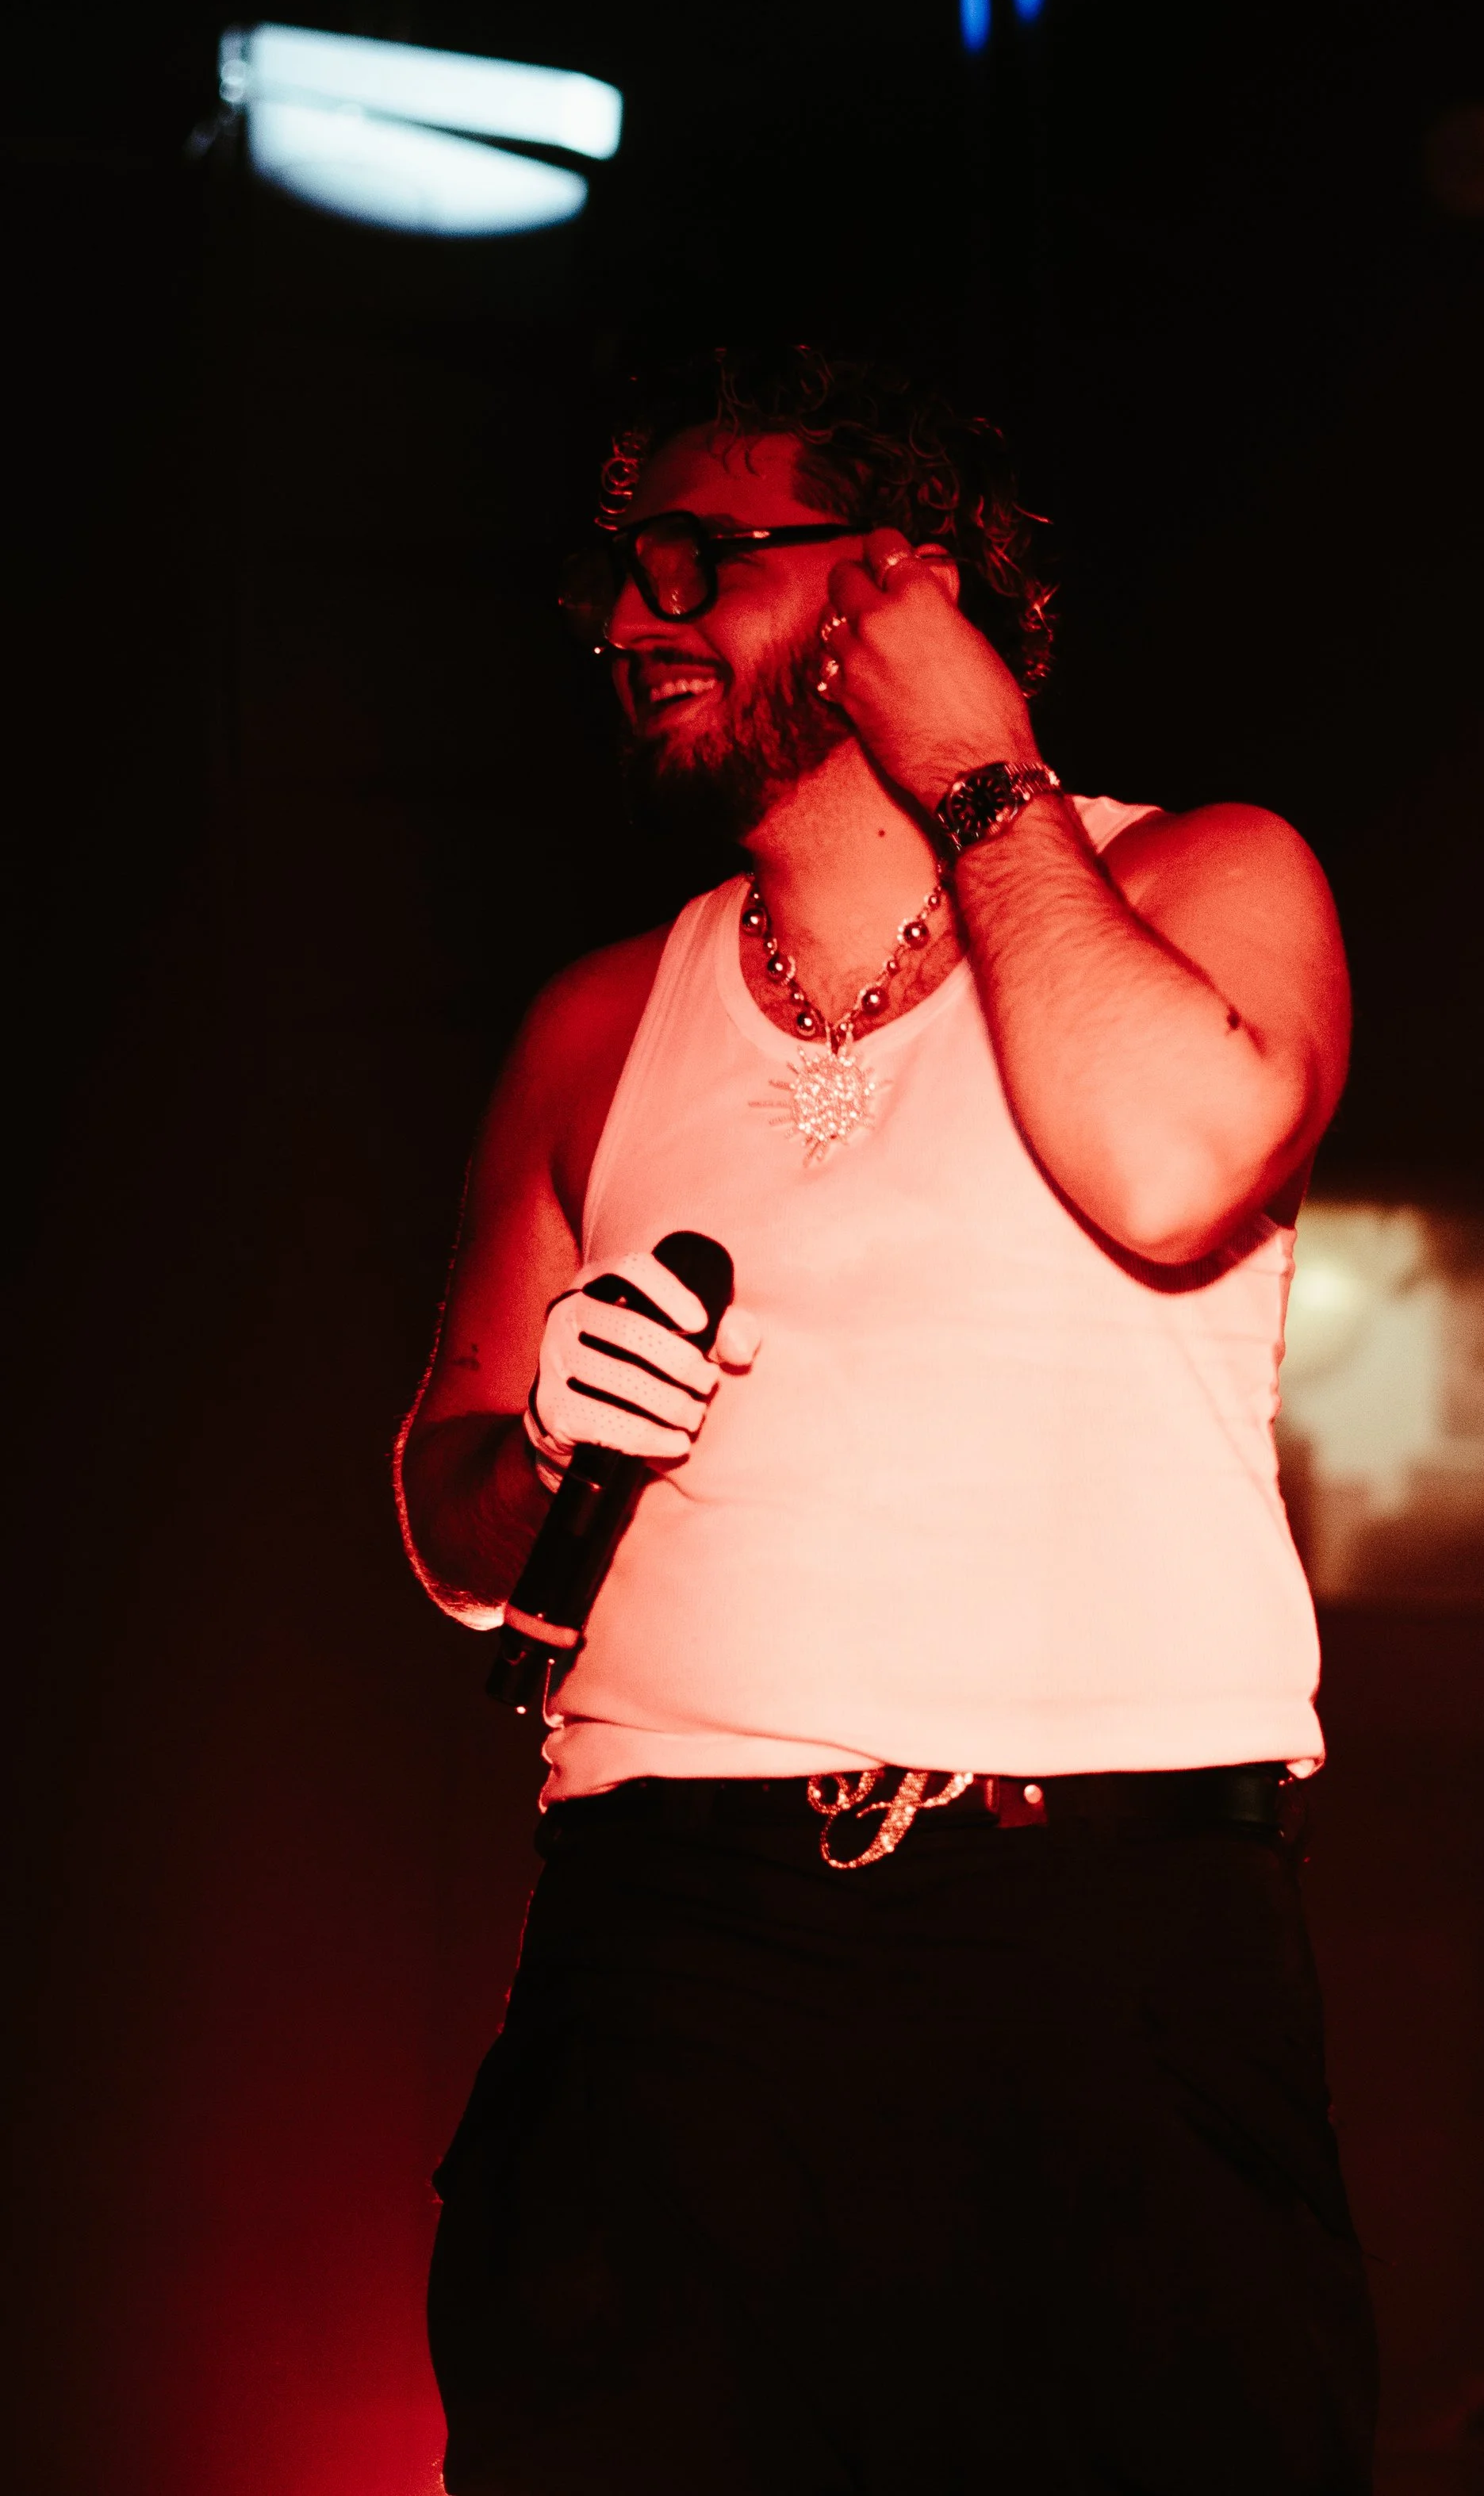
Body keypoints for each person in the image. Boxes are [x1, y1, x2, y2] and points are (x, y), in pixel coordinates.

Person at [397, 347, 1375, 2495]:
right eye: (610, 573)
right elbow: (456, 1521)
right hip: (666, 1965)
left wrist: (976, 766)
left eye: (694, 554)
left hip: (1094, 1945)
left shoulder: (1199, 875)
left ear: (903, 576)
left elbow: (1168, 1168)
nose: (634, 614)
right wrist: (544, 1447)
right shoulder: (593, 1016)